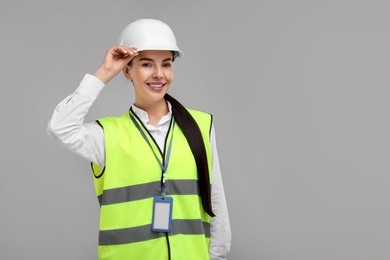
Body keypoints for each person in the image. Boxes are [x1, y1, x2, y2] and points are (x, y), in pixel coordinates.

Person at [47, 18, 231, 260]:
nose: (159, 74)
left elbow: (216, 203)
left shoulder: (201, 125)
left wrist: (217, 257)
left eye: (166, 64)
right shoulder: (107, 135)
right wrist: (104, 72)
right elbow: (61, 126)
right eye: (146, 64)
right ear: (127, 71)